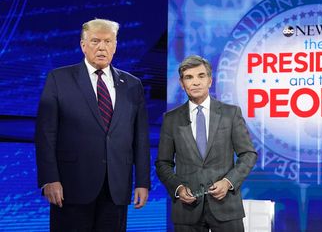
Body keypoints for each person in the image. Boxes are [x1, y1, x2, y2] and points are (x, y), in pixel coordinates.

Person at [35, 18, 150, 232]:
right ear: (83, 45)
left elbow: (140, 138)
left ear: (115, 46)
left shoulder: (133, 85)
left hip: (116, 188)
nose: (102, 47)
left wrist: (143, 182)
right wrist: (49, 179)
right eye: (95, 41)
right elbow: (45, 134)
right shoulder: (59, 79)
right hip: (71, 187)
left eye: (108, 41)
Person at [156, 55, 257, 232]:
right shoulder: (171, 119)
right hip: (187, 211)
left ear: (210, 80)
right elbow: (163, 163)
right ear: (182, 84)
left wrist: (228, 182)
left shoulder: (230, 113)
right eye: (189, 77)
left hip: (226, 208)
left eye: (201, 76)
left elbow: (248, 154)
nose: (195, 82)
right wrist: (178, 188)